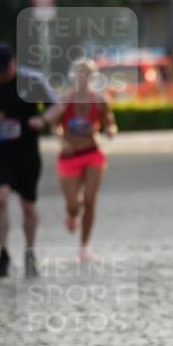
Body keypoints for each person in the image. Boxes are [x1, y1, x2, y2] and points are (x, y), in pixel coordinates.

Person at [0, 43, 62, 279]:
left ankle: (30, 252)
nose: (1, 75)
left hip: (27, 151)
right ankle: (3, 253)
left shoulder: (32, 80)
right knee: (0, 199)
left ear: (14, 62)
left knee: (28, 205)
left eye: (5, 69)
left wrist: (42, 119)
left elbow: (57, 106)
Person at [49, 58, 117, 261]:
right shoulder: (65, 101)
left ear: (92, 77)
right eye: (78, 73)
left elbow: (110, 124)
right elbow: (54, 127)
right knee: (73, 205)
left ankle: (85, 247)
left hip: (92, 153)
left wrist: (111, 131)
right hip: (69, 157)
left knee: (89, 199)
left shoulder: (100, 101)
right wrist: (62, 141)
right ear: (73, 76)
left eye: (86, 73)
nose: (82, 77)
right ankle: (71, 215)